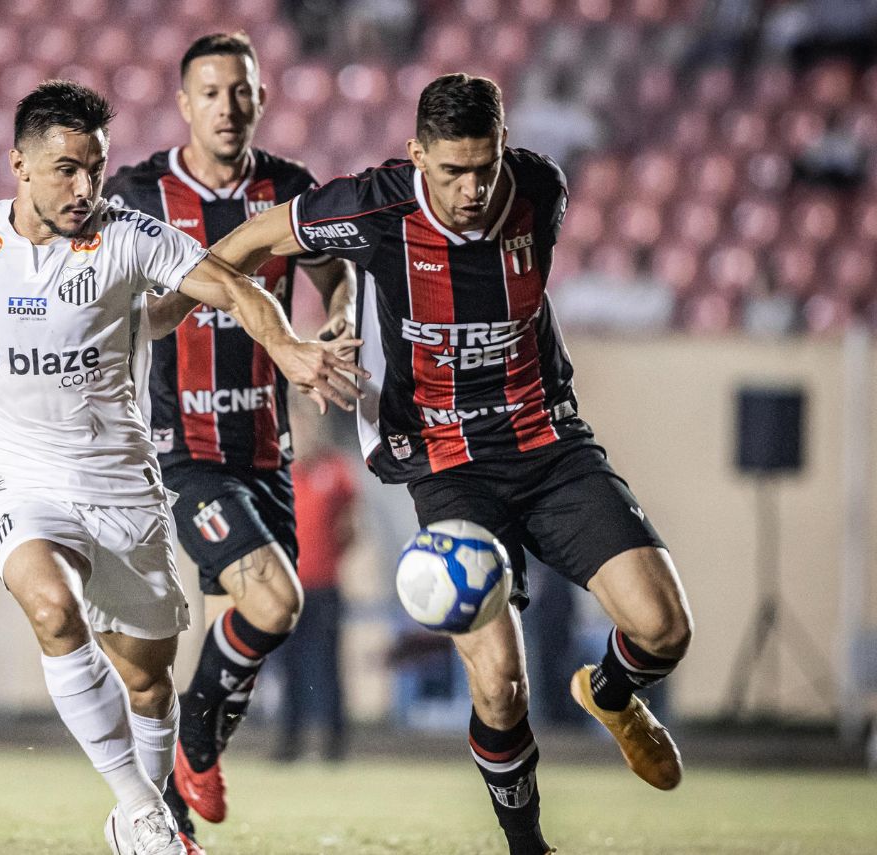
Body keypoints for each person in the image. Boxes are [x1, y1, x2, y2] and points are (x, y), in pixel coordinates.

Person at [0, 80, 362, 855]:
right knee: (52, 606)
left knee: (147, 682)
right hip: (15, 480)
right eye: (67, 169)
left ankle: (141, 818)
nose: (85, 187)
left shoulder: (130, 238)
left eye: (96, 168)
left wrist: (285, 346)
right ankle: (143, 812)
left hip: (120, 485)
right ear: (20, 165)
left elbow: (233, 285)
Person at [206, 73, 694, 855]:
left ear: (506, 152)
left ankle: (611, 694)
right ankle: (528, 845)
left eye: (485, 167)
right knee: (499, 679)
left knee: (665, 626)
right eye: (451, 171)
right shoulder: (372, 208)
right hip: (445, 461)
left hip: (548, 443)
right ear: (415, 156)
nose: (471, 189)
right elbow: (241, 247)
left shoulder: (541, 189)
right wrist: (284, 343)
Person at [103, 32, 356, 851]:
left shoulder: (287, 190)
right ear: (184, 104)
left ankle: (168, 826)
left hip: (266, 450)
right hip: (183, 450)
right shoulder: (139, 193)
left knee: (238, 650)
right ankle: (190, 752)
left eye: (241, 90)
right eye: (210, 92)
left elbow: (334, 270)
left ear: (261, 98)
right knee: (276, 602)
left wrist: (342, 317)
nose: (227, 105)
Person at [271, 400, 357, 762]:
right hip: (285, 589)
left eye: (311, 428)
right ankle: (288, 741)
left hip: (324, 587)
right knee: (287, 667)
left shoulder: (337, 473)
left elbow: (349, 529)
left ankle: (332, 742)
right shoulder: (277, 473)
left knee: (325, 666)